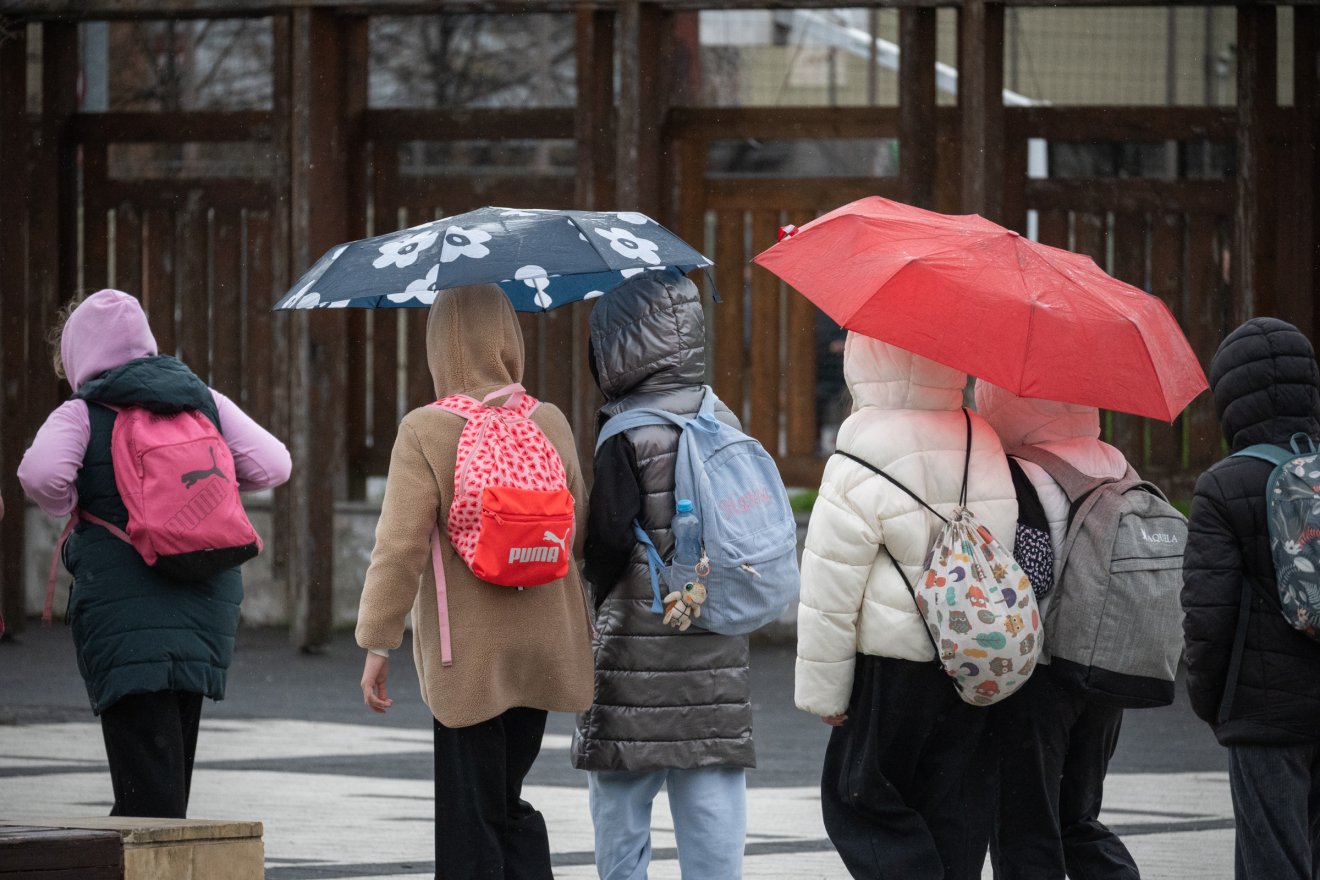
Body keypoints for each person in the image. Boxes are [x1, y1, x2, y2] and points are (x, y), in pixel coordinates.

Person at [17, 288, 291, 818]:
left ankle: (145, 855)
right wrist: (205, 496)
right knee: (166, 773)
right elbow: (275, 464)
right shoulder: (201, 399)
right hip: (205, 596)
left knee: (145, 794)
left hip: (125, 606)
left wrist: (72, 502)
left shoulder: (82, 413)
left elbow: (40, 475)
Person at [355, 284, 594, 880]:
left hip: (468, 654)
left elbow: (399, 547)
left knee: (471, 815)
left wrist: (378, 641)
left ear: (437, 345)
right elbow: (578, 530)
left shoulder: (426, 429)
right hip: (545, 644)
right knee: (507, 798)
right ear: (510, 339)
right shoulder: (549, 420)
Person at [794, 335, 1017, 880]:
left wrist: (827, 692)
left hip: (888, 667)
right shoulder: (980, 435)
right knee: (952, 802)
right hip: (969, 653)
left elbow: (831, 585)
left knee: (859, 797)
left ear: (866, 357)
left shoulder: (860, 447)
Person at [573, 270, 754, 880]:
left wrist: (590, 595)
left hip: (637, 643)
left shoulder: (624, 429)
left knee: (622, 790)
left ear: (619, 345)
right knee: (711, 788)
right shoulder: (722, 416)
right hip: (715, 636)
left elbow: (608, 539)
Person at [974, 380, 1141, 880]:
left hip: (1041, 673)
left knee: (1025, 822)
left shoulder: (1016, 470)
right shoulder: (1118, 464)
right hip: (1106, 664)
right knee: (1078, 817)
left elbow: (1029, 577)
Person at [1182, 317, 1320, 880]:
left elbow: (1207, 615)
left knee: (1272, 861)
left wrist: (1213, 703)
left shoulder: (1224, 485)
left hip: (1265, 715)